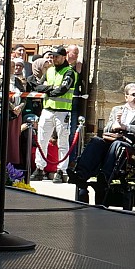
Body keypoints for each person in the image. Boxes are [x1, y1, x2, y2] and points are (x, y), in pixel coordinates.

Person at [74, 82, 135, 203]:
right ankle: (80, 174)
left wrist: (125, 127)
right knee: (96, 141)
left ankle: (105, 176)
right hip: (112, 140)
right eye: (134, 94)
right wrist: (114, 125)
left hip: (131, 145)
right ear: (126, 97)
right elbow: (106, 129)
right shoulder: (117, 109)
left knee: (118, 144)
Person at [30, 46, 78, 179]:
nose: (54, 59)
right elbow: (38, 86)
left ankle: (61, 170)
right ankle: (39, 168)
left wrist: (47, 89)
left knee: (63, 142)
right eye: (53, 56)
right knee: (42, 140)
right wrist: (50, 88)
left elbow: (62, 89)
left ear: (64, 57)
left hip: (63, 112)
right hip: (47, 110)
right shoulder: (50, 70)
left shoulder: (69, 72)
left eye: (57, 56)